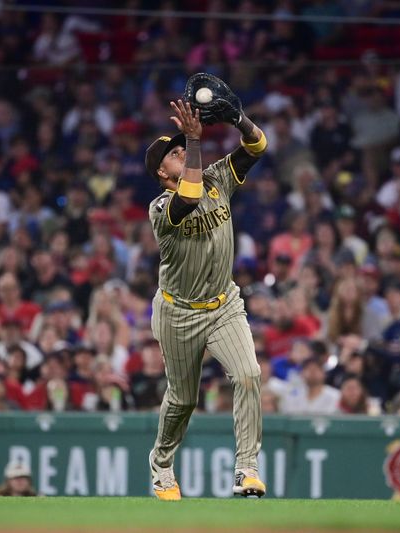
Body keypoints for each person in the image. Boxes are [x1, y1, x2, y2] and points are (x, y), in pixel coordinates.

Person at [144, 95, 267, 500]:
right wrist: (196, 141)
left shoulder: (217, 178)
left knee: (248, 374)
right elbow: (190, 196)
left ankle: (246, 469)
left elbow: (257, 146)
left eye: (183, 148)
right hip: (178, 313)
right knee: (183, 400)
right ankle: (161, 465)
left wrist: (238, 118)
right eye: (174, 154)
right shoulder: (161, 208)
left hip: (224, 304)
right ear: (162, 173)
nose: (182, 152)